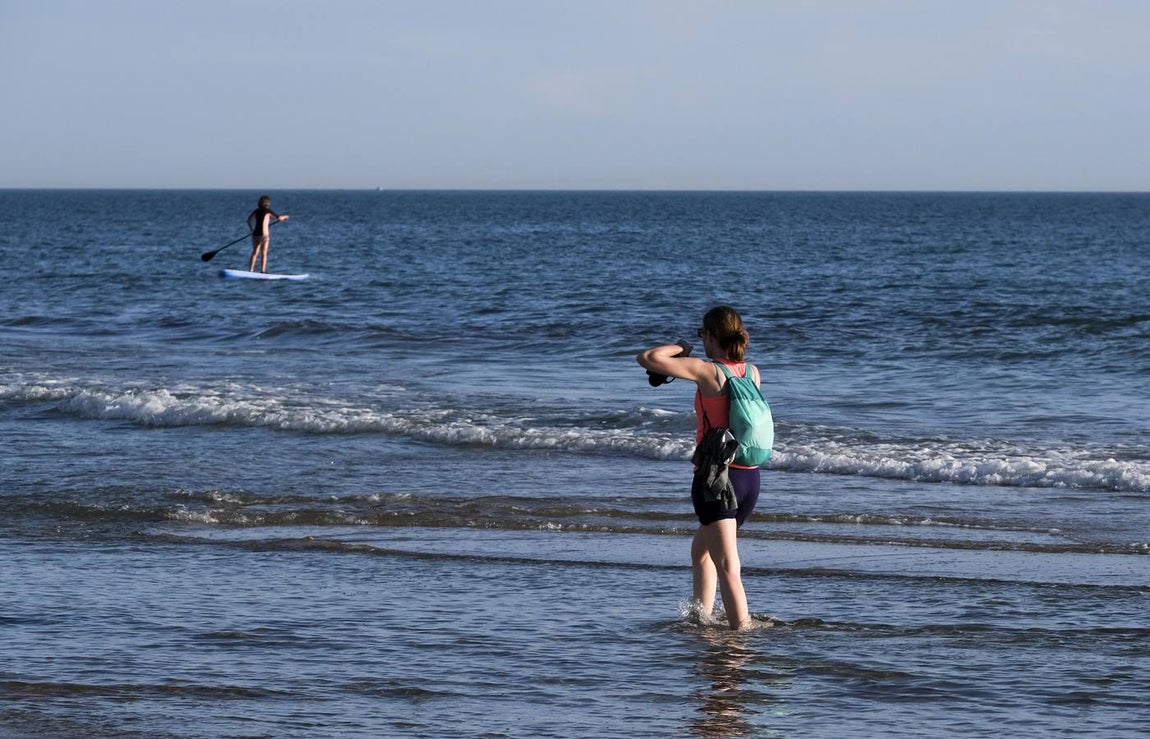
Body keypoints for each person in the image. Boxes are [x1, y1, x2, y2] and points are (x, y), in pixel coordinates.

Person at [637, 306, 762, 630]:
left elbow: (649, 357)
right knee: (702, 553)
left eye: (701, 335)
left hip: (716, 478)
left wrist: (681, 347)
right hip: (749, 478)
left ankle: (741, 636)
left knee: (727, 565)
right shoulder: (751, 372)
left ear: (709, 336)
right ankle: (702, 620)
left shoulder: (708, 371)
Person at [246, 195, 289, 273]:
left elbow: (248, 220)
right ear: (267, 203)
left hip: (255, 234)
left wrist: (251, 229)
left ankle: (251, 270)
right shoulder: (268, 211)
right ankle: (262, 271)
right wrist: (285, 217)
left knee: (255, 252)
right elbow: (278, 218)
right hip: (264, 235)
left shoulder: (256, 211)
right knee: (264, 253)